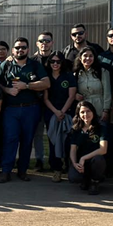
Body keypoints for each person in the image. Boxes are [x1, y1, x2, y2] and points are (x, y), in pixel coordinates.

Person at [0, 38, 50, 183]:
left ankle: (22, 171)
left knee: (27, 141)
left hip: (30, 108)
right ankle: (6, 171)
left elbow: (46, 83)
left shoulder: (35, 65)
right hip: (11, 110)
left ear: (28, 49)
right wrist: (7, 89)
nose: (20, 50)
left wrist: (26, 86)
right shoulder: (6, 65)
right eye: (17, 48)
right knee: (10, 139)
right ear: (13, 50)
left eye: (23, 48)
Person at [42, 51, 76, 182]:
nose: (55, 64)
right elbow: (45, 98)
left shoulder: (68, 76)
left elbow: (72, 96)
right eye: (52, 61)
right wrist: (56, 112)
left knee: (68, 141)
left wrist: (62, 111)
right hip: (51, 113)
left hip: (67, 112)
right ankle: (56, 169)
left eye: (58, 61)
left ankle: (70, 167)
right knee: (53, 141)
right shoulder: (46, 77)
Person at [68, 101, 108, 195]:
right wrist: (74, 163)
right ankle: (86, 180)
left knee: (98, 160)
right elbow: (73, 149)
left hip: (95, 160)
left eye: (88, 111)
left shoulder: (101, 127)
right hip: (82, 163)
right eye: (82, 112)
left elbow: (103, 149)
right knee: (73, 177)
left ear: (93, 112)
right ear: (78, 114)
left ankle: (95, 181)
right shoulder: (75, 130)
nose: (85, 114)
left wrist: (84, 158)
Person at [31, 32, 56, 170]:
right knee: (38, 134)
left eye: (47, 40)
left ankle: (56, 162)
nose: (44, 43)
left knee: (54, 133)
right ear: (37, 43)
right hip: (37, 102)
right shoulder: (32, 60)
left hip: (54, 102)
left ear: (52, 42)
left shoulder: (57, 59)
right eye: (41, 40)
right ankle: (39, 160)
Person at [74, 47, 111, 125]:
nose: (88, 58)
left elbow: (107, 92)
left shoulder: (102, 71)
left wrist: (106, 110)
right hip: (84, 111)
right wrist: (75, 95)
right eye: (85, 56)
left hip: (99, 108)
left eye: (91, 56)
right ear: (80, 58)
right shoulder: (76, 73)